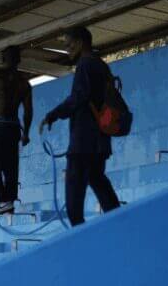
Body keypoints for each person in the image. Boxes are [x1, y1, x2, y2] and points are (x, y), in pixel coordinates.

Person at [39, 26, 122, 226]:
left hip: (84, 142)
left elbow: (78, 97)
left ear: (80, 43)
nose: (67, 50)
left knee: (74, 201)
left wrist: (54, 114)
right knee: (99, 182)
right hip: (100, 141)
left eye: (69, 45)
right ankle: (120, 223)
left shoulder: (85, 65)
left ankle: (78, 238)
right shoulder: (101, 65)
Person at [0, 45, 33, 217]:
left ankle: (2, 200)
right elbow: (28, 111)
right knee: (11, 166)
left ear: (3, 58)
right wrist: (26, 132)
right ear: (18, 59)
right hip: (13, 127)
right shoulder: (24, 82)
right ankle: (8, 202)